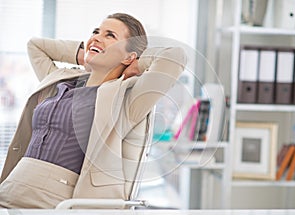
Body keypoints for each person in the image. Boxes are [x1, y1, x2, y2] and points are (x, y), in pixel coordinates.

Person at [0, 13, 186, 208]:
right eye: (95, 32)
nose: (96, 37)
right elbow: (35, 46)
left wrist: (137, 64)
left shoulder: (126, 98)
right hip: (9, 190)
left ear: (129, 56)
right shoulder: (61, 81)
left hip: (53, 204)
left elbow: (175, 57)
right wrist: (86, 52)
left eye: (110, 35)